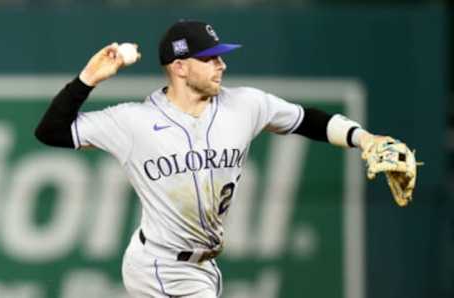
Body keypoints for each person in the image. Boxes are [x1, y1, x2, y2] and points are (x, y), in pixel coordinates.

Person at [35, 19, 379, 298]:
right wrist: (88, 79)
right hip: (158, 266)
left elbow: (308, 120)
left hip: (204, 268)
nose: (221, 65)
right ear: (180, 67)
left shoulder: (246, 104)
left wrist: (365, 139)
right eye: (210, 58)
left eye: (220, 56)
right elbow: (50, 131)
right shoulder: (132, 121)